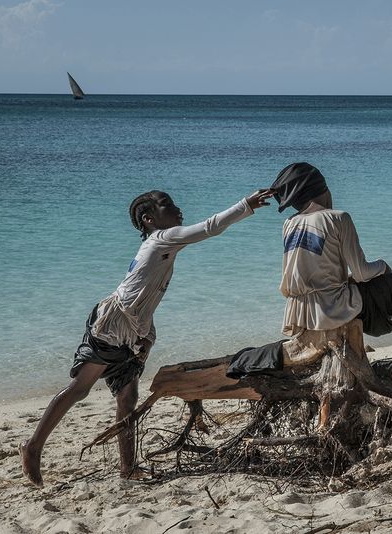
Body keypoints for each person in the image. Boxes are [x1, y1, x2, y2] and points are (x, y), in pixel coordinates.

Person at [20, 189, 272, 487]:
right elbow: (209, 227)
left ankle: (128, 468)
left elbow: (145, 297)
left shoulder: (164, 245)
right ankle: (33, 447)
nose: (179, 209)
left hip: (133, 329)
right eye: (169, 206)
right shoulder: (162, 239)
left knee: (128, 397)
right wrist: (246, 204)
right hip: (112, 324)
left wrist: (148, 334)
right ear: (149, 219)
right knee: (80, 389)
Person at [269, 162, 392, 381]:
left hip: (299, 312)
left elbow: (312, 273)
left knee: (368, 285)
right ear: (321, 191)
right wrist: (383, 266)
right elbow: (362, 272)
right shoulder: (338, 218)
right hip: (333, 309)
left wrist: (344, 280)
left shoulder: (290, 224)